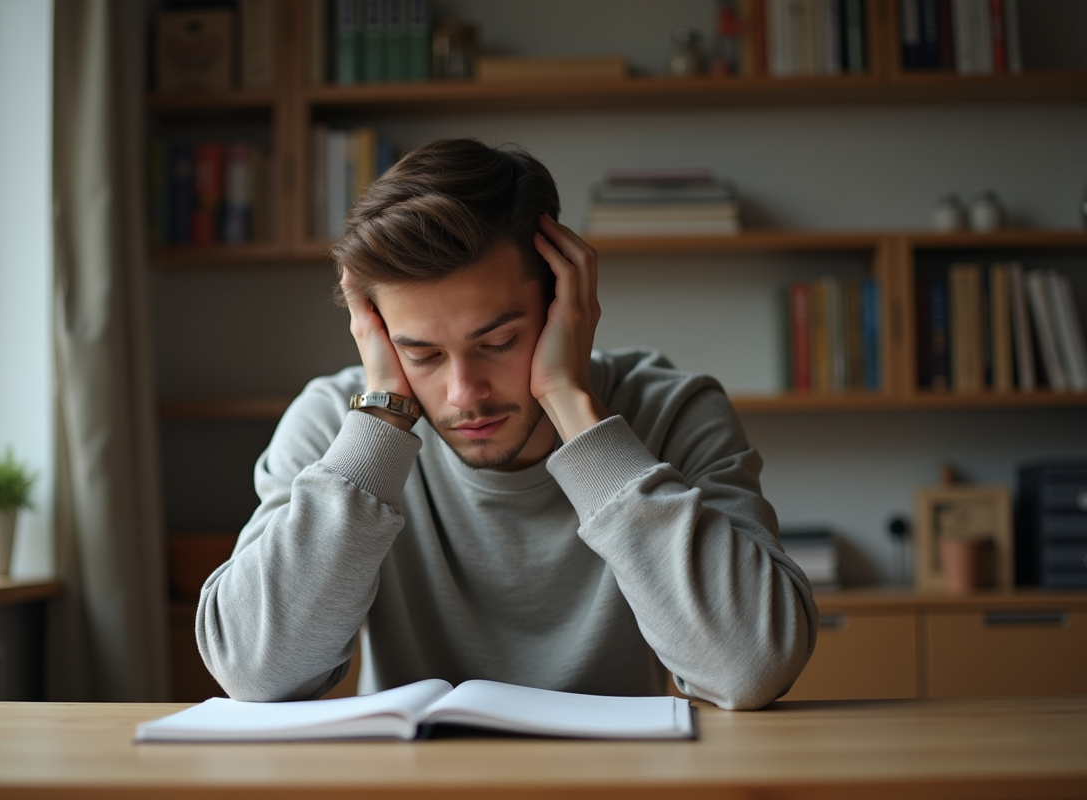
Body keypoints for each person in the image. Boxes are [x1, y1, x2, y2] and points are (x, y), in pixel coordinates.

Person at [197, 138, 817, 711]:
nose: (464, 394)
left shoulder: (674, 412)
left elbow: (750, 667)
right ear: (376, 337)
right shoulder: (342, 427)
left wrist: (572, 405)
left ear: (564, 309)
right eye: (423, 356)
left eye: (498, 341)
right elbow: (256, 671)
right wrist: (384, 413)